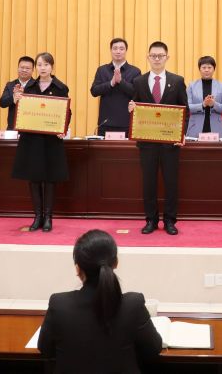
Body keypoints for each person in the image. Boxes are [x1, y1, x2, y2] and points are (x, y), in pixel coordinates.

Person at [39, 229, 162, 373]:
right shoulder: (133, 304)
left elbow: (45, 349)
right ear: (116, 263)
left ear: (78, 269)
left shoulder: (59, 304)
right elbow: (153, 348)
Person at [128, 42, 188, 235]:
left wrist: (182, 134)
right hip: (147, 143)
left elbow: (185, 111)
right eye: (153, 55)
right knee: (148, 183)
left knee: (171, 183)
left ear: (167, 58)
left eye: (160, 56)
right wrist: (131, 108)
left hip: (170, 143)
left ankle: (170, 221)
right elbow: (135, 107)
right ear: (148, 57)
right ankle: (151, 220)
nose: (156, 59)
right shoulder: (139, 81)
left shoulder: (177, 81)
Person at [12, 52, 70, 232]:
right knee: (34, 178)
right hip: (32, 140)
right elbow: (23, 111)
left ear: (52, 67)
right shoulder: (29, 86)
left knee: (50, 179)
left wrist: (63, 128)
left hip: (51, 140)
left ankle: (48, 217)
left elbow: (67, 111)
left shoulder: (61, 87)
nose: (42, 68)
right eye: (39, 65)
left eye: (46, 65)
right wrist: (17, 101)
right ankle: (37, 216)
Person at [90, 38, 141, 136]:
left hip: (126, 123)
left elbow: (137, 93)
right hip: (105, 123)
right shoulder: (102, 70)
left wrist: (121, 82)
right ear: (111, 50)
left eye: (121, 49)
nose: (118, 51)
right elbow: (94, 91)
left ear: (126, 51)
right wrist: (111, 83)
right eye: (115, 48)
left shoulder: (135, 71)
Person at [186, 55, 222, 139]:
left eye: (209, 67)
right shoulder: (191, 86)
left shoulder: (221, 86)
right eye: (204, 67)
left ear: (214, 69)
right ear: (199, 69)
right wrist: (203, 104)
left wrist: (213, 104)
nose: (206, 70)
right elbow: (187, 107)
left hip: (216, 127)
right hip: (195, 126)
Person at [0, 55, 35, 131]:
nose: (24, 70)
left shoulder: (37, 85)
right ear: (18, 68)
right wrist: (13, 97)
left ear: (33, 70)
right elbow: (2, 103)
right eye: (22, 67)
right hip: (13, 128)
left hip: (32, 129)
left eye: (27, 68)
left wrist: (24, 96)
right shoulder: (10, 84)